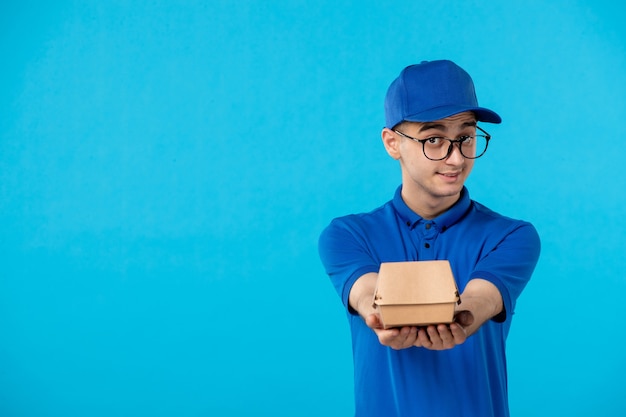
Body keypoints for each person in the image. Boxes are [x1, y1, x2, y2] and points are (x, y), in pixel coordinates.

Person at [318, 60, 541, 417]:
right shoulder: (348, 235)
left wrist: (460, 317)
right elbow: (367, 293)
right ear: (393, 143)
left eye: (466, 137)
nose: (455, 158)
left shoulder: (511, 236)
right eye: (434, 139)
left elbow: (481, 298)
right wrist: (380, 314)